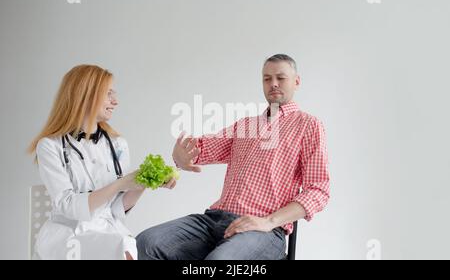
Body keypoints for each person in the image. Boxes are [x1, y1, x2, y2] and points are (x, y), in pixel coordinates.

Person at [136, 54, 330, 260]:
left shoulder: (308, 125)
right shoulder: (247, 125)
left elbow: (318, 191)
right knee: (147, 242)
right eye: (267, 79)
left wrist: (268, 222)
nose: (273, 84)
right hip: (214, 220)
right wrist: (180, 156)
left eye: (280, 78)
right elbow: (200, 148)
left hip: (263, 230)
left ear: (296, 81)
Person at [28, 65, 177, 260]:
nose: (115, 101)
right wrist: (120, 184)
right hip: (68, 236)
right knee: (121, 249)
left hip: (108, 230)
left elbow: (116, 208)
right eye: (108, 94)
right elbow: (68, 205)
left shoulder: (117, 145)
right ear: (86, 96)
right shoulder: (49, 146)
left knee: (127, 246)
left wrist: (142, 183)